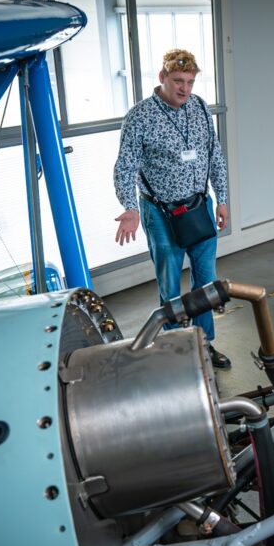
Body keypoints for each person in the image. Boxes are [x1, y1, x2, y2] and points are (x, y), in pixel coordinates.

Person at [113, 49, 232, 368]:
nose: (185, 89)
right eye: (178, 81)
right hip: (161, 213)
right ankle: (175, 350)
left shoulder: (199, 107)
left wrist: (222, 198)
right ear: (162, 77)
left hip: (199, 206)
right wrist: (130, 207)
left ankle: (204, 344)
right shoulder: (140, 116)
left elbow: (214, 155)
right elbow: (125, 167)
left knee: (206, 282)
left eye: (190, 82)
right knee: (169, 286)